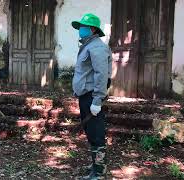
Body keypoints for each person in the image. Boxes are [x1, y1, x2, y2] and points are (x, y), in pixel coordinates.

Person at [71, 13, 112, 179]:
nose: (80, 29)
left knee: (96, 134)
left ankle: (99, 172)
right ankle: (97, 163)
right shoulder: (88, 46)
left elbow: (101, 75)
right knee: (90, 132)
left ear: (93, 29)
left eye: (83, 26)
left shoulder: (97, 48)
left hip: (92, 96)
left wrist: (97, 100)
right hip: (85, 96)